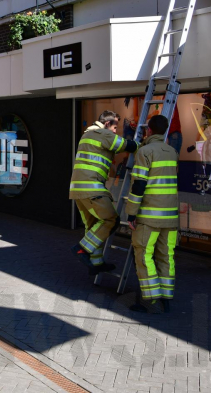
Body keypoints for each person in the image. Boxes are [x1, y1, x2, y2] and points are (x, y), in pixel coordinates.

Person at [69, 110, 139, 275]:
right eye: (115, 127)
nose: (116, 131)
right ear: (107, 124)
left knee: (93, 225)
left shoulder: (86, 135)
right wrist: (144, 144)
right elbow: (127, 146)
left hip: (78, 189)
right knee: (111, 220)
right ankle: (82, 249)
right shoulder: (101, 133)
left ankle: (96, 263)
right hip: (92, 188)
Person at [125, 114, 179, 313]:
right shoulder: (172, 151)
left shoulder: (145, 151)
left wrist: (131, 213)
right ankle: (166, 296)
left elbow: (139, 184)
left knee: (144, 254)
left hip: (149, 216)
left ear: (148, 130)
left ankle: (151, 298)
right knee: (167, 255)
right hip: (171, 217)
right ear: (165, 130)